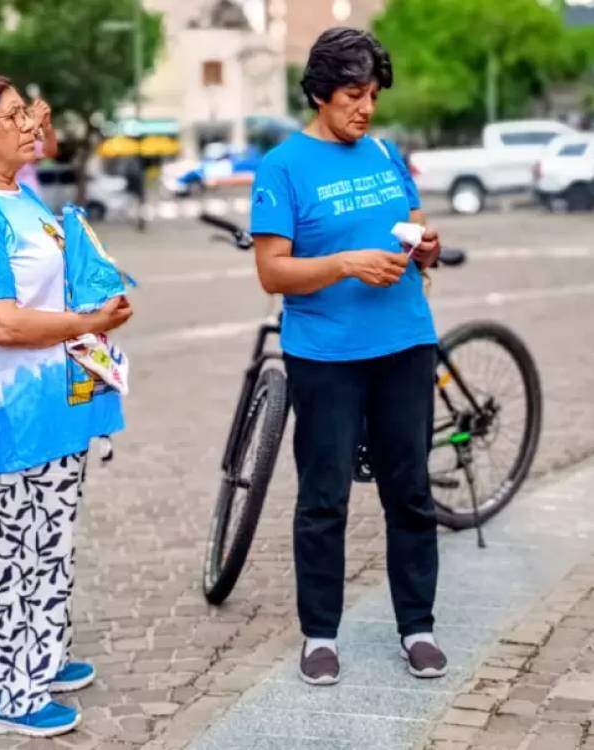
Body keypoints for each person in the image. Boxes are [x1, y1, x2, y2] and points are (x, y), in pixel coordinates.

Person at [0, 75, 132, 738]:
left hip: (57, 398)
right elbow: (2, 325)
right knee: (26, 545)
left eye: (27, 114)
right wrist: (85, 319)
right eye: (13, 117)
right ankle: (9, 693)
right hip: (17, 410)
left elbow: (48, 160)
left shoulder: (18, 194)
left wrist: (94, 312)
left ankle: (45, 653)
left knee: (54, 539)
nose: (29, 125)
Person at [250, 28, 447, 686]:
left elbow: (416, 226)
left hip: (406, 342)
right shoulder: (282, 168)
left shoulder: (385, 152)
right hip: (327, 354)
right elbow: (273, 274)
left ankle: (418, 626)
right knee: (324, 496)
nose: (366, 109)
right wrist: (343, 264)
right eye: (353, 95)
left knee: (410, 491)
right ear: (319, 93)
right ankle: (320, 634)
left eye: (373, 96)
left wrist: (426, 249)